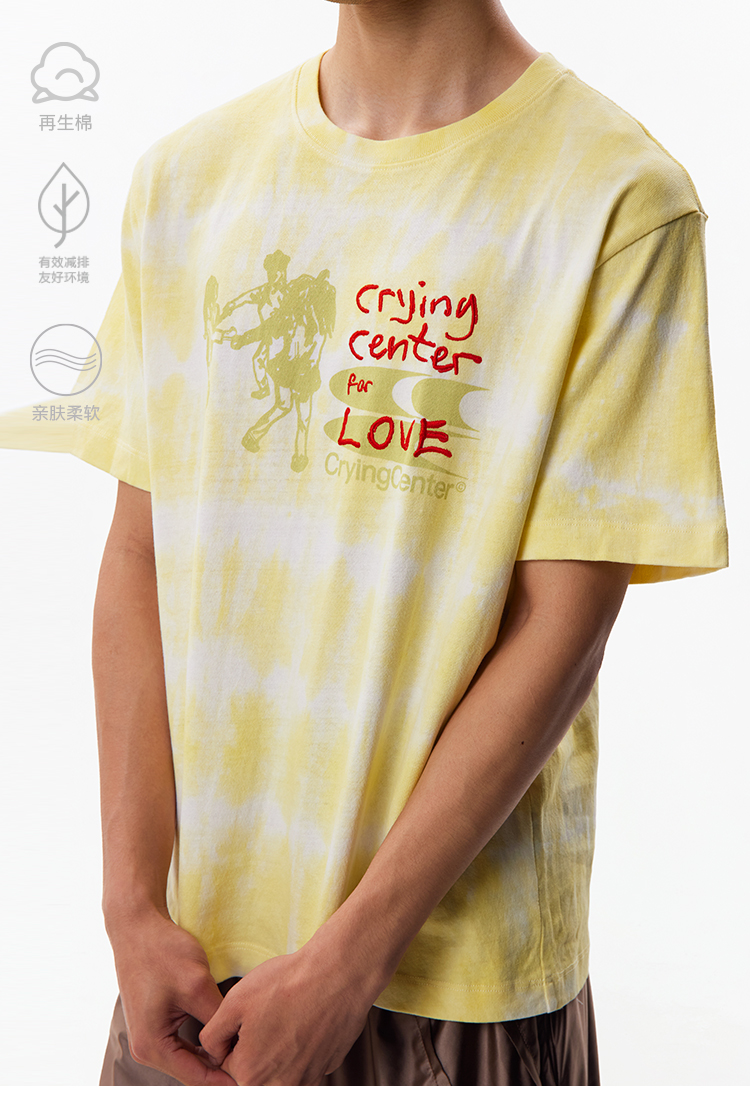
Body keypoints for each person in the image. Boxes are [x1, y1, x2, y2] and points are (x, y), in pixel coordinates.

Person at [29, 0, 728, 1086]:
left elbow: (562, 625)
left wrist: (351, 957)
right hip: (191, 977)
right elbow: (138, 556)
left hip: (443, 984)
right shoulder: (187, 179)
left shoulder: (614, 199)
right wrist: (132, 905)